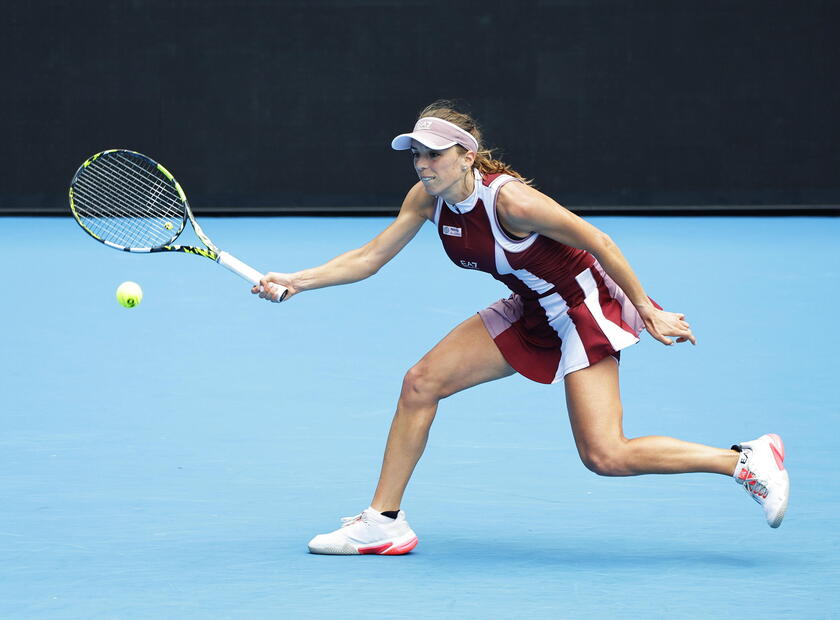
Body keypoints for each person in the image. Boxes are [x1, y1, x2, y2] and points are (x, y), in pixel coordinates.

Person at [252, 101, 790, 555]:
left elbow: (598, 242)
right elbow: (371, 256)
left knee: (605, 455)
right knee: (421, 383)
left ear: (466, 155)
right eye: (415, 154)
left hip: (582, 310)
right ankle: (384, 521)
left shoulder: (511, 201)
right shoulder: (428, 198)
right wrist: (298, 281)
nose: (422, 165)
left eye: (433, 154)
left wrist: (647, 309)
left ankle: (742, 460)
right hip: (531, 306)